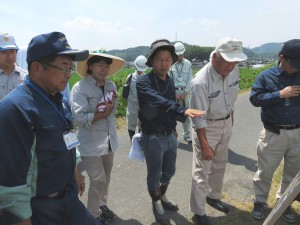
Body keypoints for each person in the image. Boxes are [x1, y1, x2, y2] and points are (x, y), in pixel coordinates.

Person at [0, 31, 102, 225]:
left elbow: (66, 139)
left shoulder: (59, 99)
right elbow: (12, 183)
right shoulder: (15, 110)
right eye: (63, 67)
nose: (69, 74)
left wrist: (75, 171)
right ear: (37, 68)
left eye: (70, 67)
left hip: (69, 198)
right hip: (40, 209)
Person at [136, 39, 206, 225]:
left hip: (169, 134)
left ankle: (162, 196)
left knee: (169, 171)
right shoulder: (144, 82)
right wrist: (182, 110)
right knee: (154, 175)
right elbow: (158, 101)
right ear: (151, 61)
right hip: (152, 137)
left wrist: (175, 126)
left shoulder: (169, 80)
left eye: (168, 59)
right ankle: (156, 203)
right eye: (160, 59)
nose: (164, 63)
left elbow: (170, 106)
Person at [189, 37, 247, 225]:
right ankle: (199, 212)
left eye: (235, 61)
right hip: (207, 126)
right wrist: (204, 145)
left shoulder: (234, 69)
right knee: (202, 170)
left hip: (226, 122)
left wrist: (231, 119)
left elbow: (231, 97)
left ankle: (213, 196)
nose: (231, 66)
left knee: (220, 163)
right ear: (215, 57)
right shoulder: (200, 81)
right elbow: (198, 118)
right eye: (228, 61)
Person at [71, 49, 125, 223]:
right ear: (90, 67)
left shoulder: (110, 86)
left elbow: (112, 112)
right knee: (98, 178)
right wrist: (102, 113)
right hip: (90, 142)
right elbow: (79, 118)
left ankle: (102, 205)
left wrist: (106, 113)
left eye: (106, 66)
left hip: (109, 140)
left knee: (106, 178)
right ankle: (92, 215)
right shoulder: (80, 88)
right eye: (100, 65)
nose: (104, 69)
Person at [250, 39, 300, 223]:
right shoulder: (266, 75)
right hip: (273, 133)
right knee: (265, 171)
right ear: (281, 57)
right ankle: (260, 201)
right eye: (293, 64)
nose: (296, 69)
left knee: (292, 173)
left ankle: (284, 203)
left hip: (297, 133)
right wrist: (280, 94)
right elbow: (255, 98)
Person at [170, 42, 193, 143]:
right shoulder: (171, 64)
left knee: (186, 114)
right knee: (172, 114)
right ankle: (173, 133)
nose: (179, 56)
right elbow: (169, 80)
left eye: (181, 54)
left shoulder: (188, 63)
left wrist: (186, 92)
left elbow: (190, 79)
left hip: (185, 93)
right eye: (178, 55)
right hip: (173, 92)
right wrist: (173, 93)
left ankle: (186, 134)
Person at [126, 55, 148, 141]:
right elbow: (126, 91)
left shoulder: (147, 77)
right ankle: (132, 141)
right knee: (131, 123)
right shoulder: (130, 77)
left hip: (143, 104)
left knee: (142, 123)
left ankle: (140, 141)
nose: (140, 70)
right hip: (132, 103)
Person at [0, 33, 27, 100]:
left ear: (16, 52)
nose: (9, 56)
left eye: (12, 51)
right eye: (4, 52)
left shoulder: (26, 77)